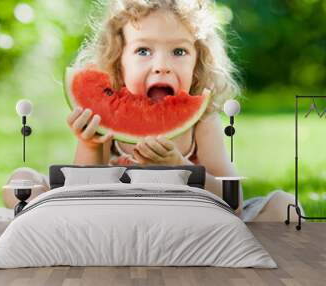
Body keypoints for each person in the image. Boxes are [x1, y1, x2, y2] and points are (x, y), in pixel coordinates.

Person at [65, 0, 303, 222]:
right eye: (143, 51)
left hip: (197, 226)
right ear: (119, 61)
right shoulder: (105, 120)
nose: (161, 66)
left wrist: (180, 168)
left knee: (285, 207)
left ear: (198, 63)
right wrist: (91, 145)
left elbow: (233, 202)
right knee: (28, 181)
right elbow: (81, 194)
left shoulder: (202, 122)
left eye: (179, 52)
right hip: (127, 223)